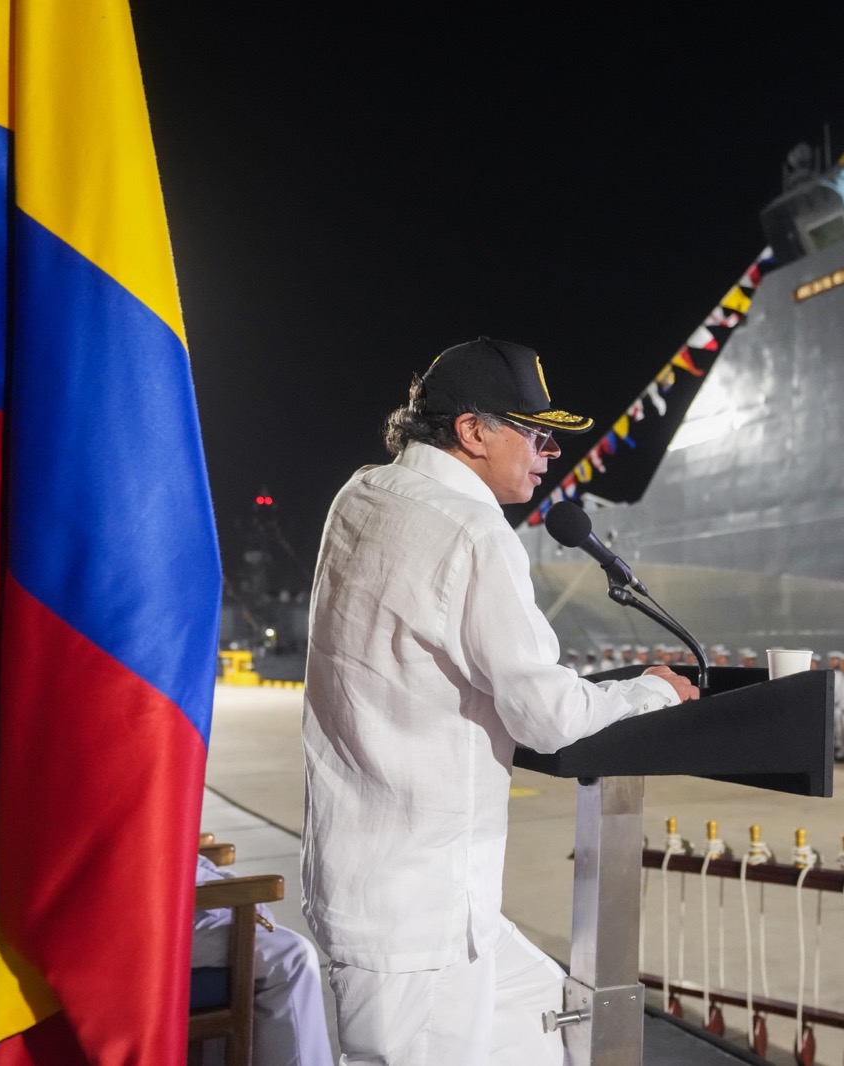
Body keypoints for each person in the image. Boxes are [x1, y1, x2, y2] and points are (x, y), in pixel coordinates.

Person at [300, 337, 700, 1066]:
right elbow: (546, 715)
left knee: (563, 1026)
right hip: (422, 924)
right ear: (472, 430)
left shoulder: (361, 494)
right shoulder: (473, 530)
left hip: (390, 892)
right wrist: (650, 692)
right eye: (535, 433)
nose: (550, 451)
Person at [193, 854, 333, 1066]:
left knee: (274, 942)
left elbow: (185, 853)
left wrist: (228, 881)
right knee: (290, 957)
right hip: (150, 917)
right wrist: (236, 892)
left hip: (180, 893)